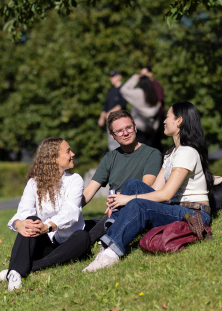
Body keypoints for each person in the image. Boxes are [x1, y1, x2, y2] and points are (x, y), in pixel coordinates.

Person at [83, 102, 214, 272]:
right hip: (177, 208)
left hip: (194, 214)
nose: (164, 121)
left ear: (179, 121)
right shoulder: (172, 153)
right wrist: (124, 197)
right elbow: (155, 189)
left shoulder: (186, 152)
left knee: (138, 203)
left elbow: (166, 194)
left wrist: (128, 199)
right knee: (133, 184)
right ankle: (110, 241)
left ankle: (110, 254)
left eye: (168, 116)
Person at [0, 138, 90, 291]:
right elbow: (22, 213)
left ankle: (17, 270)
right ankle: (16, 275)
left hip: (68, 243)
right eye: (68, 151)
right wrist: (19, 224)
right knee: (30, 221)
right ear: (53, 158)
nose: (72, 154)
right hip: (45, 244)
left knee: (82, 237)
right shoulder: (34, 183)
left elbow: (71, 212)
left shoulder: (75, 180)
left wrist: (47, 226)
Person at [82, 110, 162, 245]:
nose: (125, 133)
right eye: (119, 131)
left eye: (128, 128)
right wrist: (70, 209)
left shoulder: (152, 154)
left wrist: (116, 199)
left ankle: (84, 244)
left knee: (88, 235)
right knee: (82, 226)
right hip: (113, 211)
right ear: (112, 136)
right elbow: (89, 191)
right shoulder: (110, 157)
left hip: (135, 208)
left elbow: (145, 187)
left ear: (135, 127)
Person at [120, 74, 162, 149]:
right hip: (151, 128)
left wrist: (135, 78)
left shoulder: (138, 93)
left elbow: (123, 90)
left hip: (138, 127)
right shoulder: (153, 93)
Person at [98, 70, 128, 151]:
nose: (111, 79)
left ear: (119, 76)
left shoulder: (123, 89)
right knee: (112, 141)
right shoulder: (111, 90)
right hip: (110, 120)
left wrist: (110, 113)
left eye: (113, 76)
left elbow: (121, 104)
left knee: (121, 140)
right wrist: (102, 117)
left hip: (119, 119)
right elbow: (106, 106)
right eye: (111, 77)